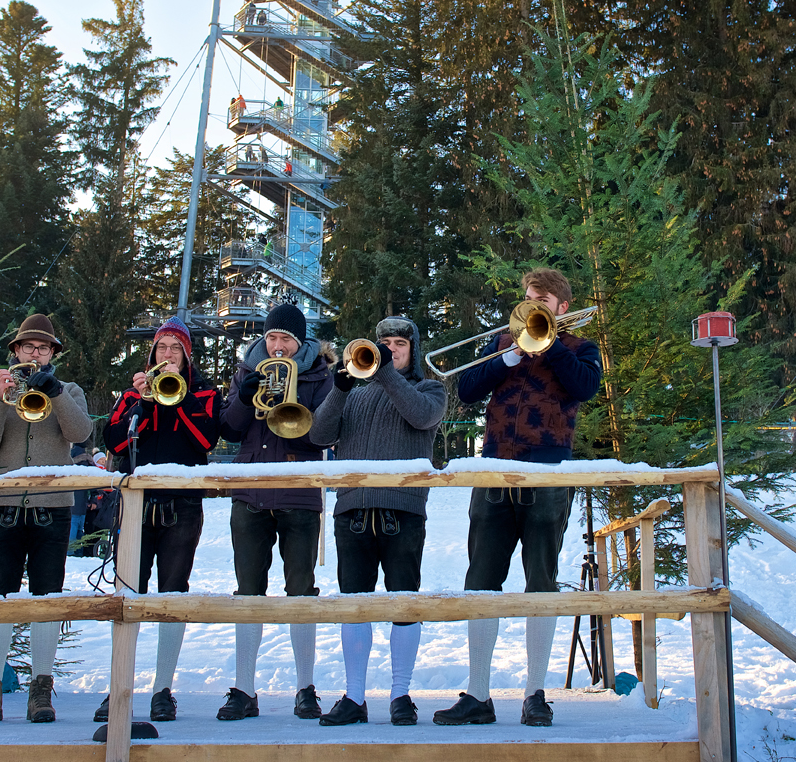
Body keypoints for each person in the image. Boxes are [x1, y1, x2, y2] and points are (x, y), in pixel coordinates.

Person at [436, 269, 602, 728]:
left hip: (548, 472)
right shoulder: (502, 342)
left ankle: (535, 694)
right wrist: (503, 360)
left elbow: (586, 387)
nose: (532, 306)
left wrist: (546, 346)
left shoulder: (578, 348)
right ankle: (478, 693)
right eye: (529, 298)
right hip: (493, 468)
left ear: (562, 307)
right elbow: (466, 391)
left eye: (542, 300)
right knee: (481, 579)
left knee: (541, 582)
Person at [311, 317, 446, 727]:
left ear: (412, 349)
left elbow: (421, 417)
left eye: (399, 343)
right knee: (355, 606)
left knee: (404, 603)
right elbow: (318, 435)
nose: (390, 349)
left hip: (403, 511)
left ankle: (400, 695)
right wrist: (339, 388)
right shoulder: (355, 395)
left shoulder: (429, 388)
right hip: (352, 510)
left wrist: (385, 371)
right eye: (383, 343)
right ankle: (354, 697)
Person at [93, 317, 220, 725]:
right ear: (152, 353)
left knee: (173, 596)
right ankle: (119, 684)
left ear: (186, 356)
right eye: (161, 348)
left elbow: (205, 441)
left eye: (175, 349)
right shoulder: (132, 395)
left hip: (182, 504)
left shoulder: (203, 392)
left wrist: (177, 400)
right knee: (127, 593)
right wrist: (142, 402)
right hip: (137, 504)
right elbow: (114, 442)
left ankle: (163, 689)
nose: (167, 355)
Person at [0, 314, 92, 725]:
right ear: (16, 352)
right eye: (27, 348)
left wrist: (54, 394)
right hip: (1, 506)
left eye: (43, 349)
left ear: (53, 354)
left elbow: (80, 433)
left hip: (51, 507)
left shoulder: (68, 390)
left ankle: (41, 688)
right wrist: (2, 403)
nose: (34, 354)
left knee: (47, 599)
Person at [216, 303, 335, 722]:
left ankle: (305, 687)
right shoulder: (245, 373)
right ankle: (244, 688)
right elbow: (228, 430)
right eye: (272, 338)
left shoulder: (320, 375)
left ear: (300, 343)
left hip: (299, 493)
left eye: (286, 339)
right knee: (248, 591)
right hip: (249, 492)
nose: (277, 346)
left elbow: (321, 436)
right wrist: (246, 398)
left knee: (301, 590)